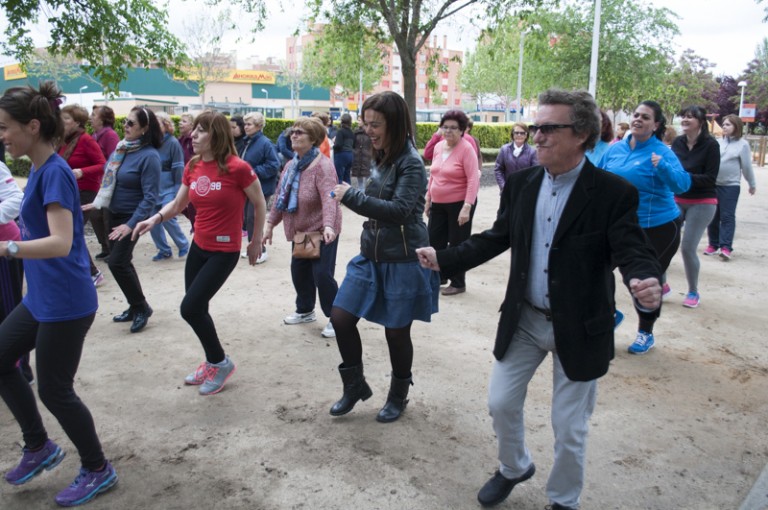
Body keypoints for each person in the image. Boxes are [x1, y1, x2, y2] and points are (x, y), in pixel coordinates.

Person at [416, 89, 662, 510]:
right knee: (500, 403)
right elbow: (498, 237)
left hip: (581, 325)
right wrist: (444, 258)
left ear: (582, 134)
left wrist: (644, 277)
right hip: (525, 321)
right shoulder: (524, 183)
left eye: (549, 128)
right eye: (536, 127)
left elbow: (631, 248)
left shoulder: (612, 193)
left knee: (569, 427)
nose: (538, 136)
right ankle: (514, 467)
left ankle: (564, 499)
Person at [0, 81, 117, 507]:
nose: (2, 135)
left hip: (66, 303)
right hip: (41, 298)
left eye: (5, 126)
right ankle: (39, 446)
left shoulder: (54, 173)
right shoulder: (37, 167)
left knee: (54, 389)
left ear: (33, 125)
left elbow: (61, 242)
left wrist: (6, 247)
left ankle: (98, 467)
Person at [133, 110, 267, 396]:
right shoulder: (193, 165)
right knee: (198, 309)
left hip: (225, 250)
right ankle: (212, 361)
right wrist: (154, 219)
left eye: (201, 130)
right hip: (199, 246)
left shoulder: (238, 167)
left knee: (190, 307)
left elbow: (259, 203)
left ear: (216, 134)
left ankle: (220, 362)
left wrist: (256, 241)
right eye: (193, 129)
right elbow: (178, 204)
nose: (192, 135)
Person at [328, 91, 440, 423]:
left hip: (403, 257)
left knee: (396, 331)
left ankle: (398, 395)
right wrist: (357, 195)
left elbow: (401, 210)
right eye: (365, 123)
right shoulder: (381, 155)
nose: (368, 130)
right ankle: (354, 385)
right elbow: (374, 198)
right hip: (371, 253)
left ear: (395, 123)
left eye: (375, 124)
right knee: (341, 317)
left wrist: (350, 196)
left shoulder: (411, 162)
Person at [598, 100, 691, 354]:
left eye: (646, 117)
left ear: (656, 124)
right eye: (636, 115)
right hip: (620, 225)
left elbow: (682, 185)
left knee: (640, 282)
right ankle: (609, 314)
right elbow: (596, 179)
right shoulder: (615, 150)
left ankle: (645, 333)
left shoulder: (662, 152)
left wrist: (662, 166)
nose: (638, 119)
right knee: (596, 268)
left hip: (658, 227)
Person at [264, 117, 342, 339]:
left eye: (300, 132)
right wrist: (270, 225)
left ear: (314, 139)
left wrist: (328, 225)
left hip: (322, 228)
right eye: (293, 132)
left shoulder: (323, 166)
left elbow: (330, 199)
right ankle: (306, 310)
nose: (293, 135)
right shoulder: (292, 165)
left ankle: (337, 318)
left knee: (322, 275)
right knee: (300, 272)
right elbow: (281, 196)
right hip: (303, 230)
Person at [88, 107, 160, 333]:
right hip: (112, 214)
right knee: (123, 262)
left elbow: (150, 198)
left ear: (145, 128)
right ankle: (134, 305)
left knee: (116, 262)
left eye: (130, 123)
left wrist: (131, 225)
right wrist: (97, 202)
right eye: (125, 122)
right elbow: (110, 183)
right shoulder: (121, 149)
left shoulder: (150, 156)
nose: (125, 127)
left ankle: (141, 307)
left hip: (132, 218)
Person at [426, 110, 480, 296]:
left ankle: (458, 282)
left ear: (462, 130)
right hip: (438, 203)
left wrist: (467, 207)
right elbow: (433, 175)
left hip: (459, 203)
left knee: (458, 244)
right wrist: (428, 199)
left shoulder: (466, 149)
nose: (448, 131)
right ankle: (439, 276)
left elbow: (473, 179)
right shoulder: (439, 147)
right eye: (445, 127)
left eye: (453, 128)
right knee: (435, 241)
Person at [671, 105, 720, 309]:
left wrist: (684, 178)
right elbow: (672, 169)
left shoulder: (711, 145)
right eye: (683, 116)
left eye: (690, 117)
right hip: (677, 199)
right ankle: (661, 285)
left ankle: (693, 291)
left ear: (700, 122)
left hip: (702, 201)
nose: (685, 120)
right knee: (664, 243)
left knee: (688, 247)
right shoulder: (678, 142)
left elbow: (710, 178)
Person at [58, 104, 107, 286]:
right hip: (69, 191)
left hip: (86, 191)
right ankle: (78, 271)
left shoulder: (85, 140)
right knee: (68, 231)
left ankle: (93, 273)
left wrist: (81, 172)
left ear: (77, 123)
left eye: (66, 119)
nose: (62, 123)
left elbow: (103, 164)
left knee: (72, 230)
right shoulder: (63, 141)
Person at [0, 144, 32, 384]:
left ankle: (21, 369)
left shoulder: (4, 165)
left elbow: (16, 198)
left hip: (5, 249)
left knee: (9, 311)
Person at [705, 114, 756, 260]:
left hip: (730, 185)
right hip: (714, 184)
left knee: (727, 216)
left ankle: (726, 246)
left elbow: (746, 166)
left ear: (736, 126)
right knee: (713, 215)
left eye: (728, 124)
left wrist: (751, 184)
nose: (725, 127)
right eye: (724, 124)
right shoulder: (717, 142)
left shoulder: (743, 144)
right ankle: (713, 244)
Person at [149, 112, 190, 261]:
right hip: (153, 188)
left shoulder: (173, 143)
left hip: (169, 187)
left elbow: (179, 168)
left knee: (167, 218)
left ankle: (184, 245)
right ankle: (164, 250)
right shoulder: (151, 143)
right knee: (152, 219)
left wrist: (178, 190)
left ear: (166, 125)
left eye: (158, 123)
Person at [240, 111, 280, 263]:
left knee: (254, 218)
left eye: (249, 124)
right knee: (249, 219)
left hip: (261, 187)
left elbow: (274, 165)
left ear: (258, 126)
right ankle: (253, 248)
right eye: (245, 124)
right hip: (250, 187)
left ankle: (260, 250)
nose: (246, 127)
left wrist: (251, 172)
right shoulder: (248, 141)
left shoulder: (265, 143)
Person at [89, 106, 119, 260]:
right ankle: (105, 246)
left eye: (94, 115)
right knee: (95, 215)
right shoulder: (94, 136)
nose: (91, 117)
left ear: (102, 119)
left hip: (108, 183)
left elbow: (115, 160)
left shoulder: (110, 135)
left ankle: (113, 249)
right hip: (97, 183)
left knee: (107, 217)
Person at [494, 123, 539, 190]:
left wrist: (527, 188)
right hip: (507, 191)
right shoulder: (504, 149)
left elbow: (535, 173)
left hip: (525, 192)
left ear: (526, 135)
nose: (519, 135)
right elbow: (498, 170)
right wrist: (503, 186)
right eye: (516, 133)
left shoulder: (532, 152)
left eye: (522, 133)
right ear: (512, 134)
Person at [177, 112, 196, 231]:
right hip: (182, 177)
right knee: (182, 206)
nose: (180, 123)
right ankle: (195, 223)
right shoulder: (179, 140)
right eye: (180, 121)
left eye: (184, 121)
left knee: (192, 206)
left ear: (192, 125)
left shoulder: (193, 140)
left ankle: (196, 226)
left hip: (193, 177)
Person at [332, 113, 355, 184]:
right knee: (347, 177)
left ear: (342, 121)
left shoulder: (340, 131)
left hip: (341, 155)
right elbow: (354, 145)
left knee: (339, 177)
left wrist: (332, 146)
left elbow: (338, 145)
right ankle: (348, 194)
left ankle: (339, 194)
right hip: (350, 155)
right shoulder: (351, 132)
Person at [350, 122, 371, 190]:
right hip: (357, 157)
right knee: (359, 179)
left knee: (368, 178)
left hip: (367, 157)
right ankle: (361, 194)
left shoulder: (370, 132)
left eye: (360, 120)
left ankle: (368, 194)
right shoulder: (356, 133)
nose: (358, 122)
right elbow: (352, 145)